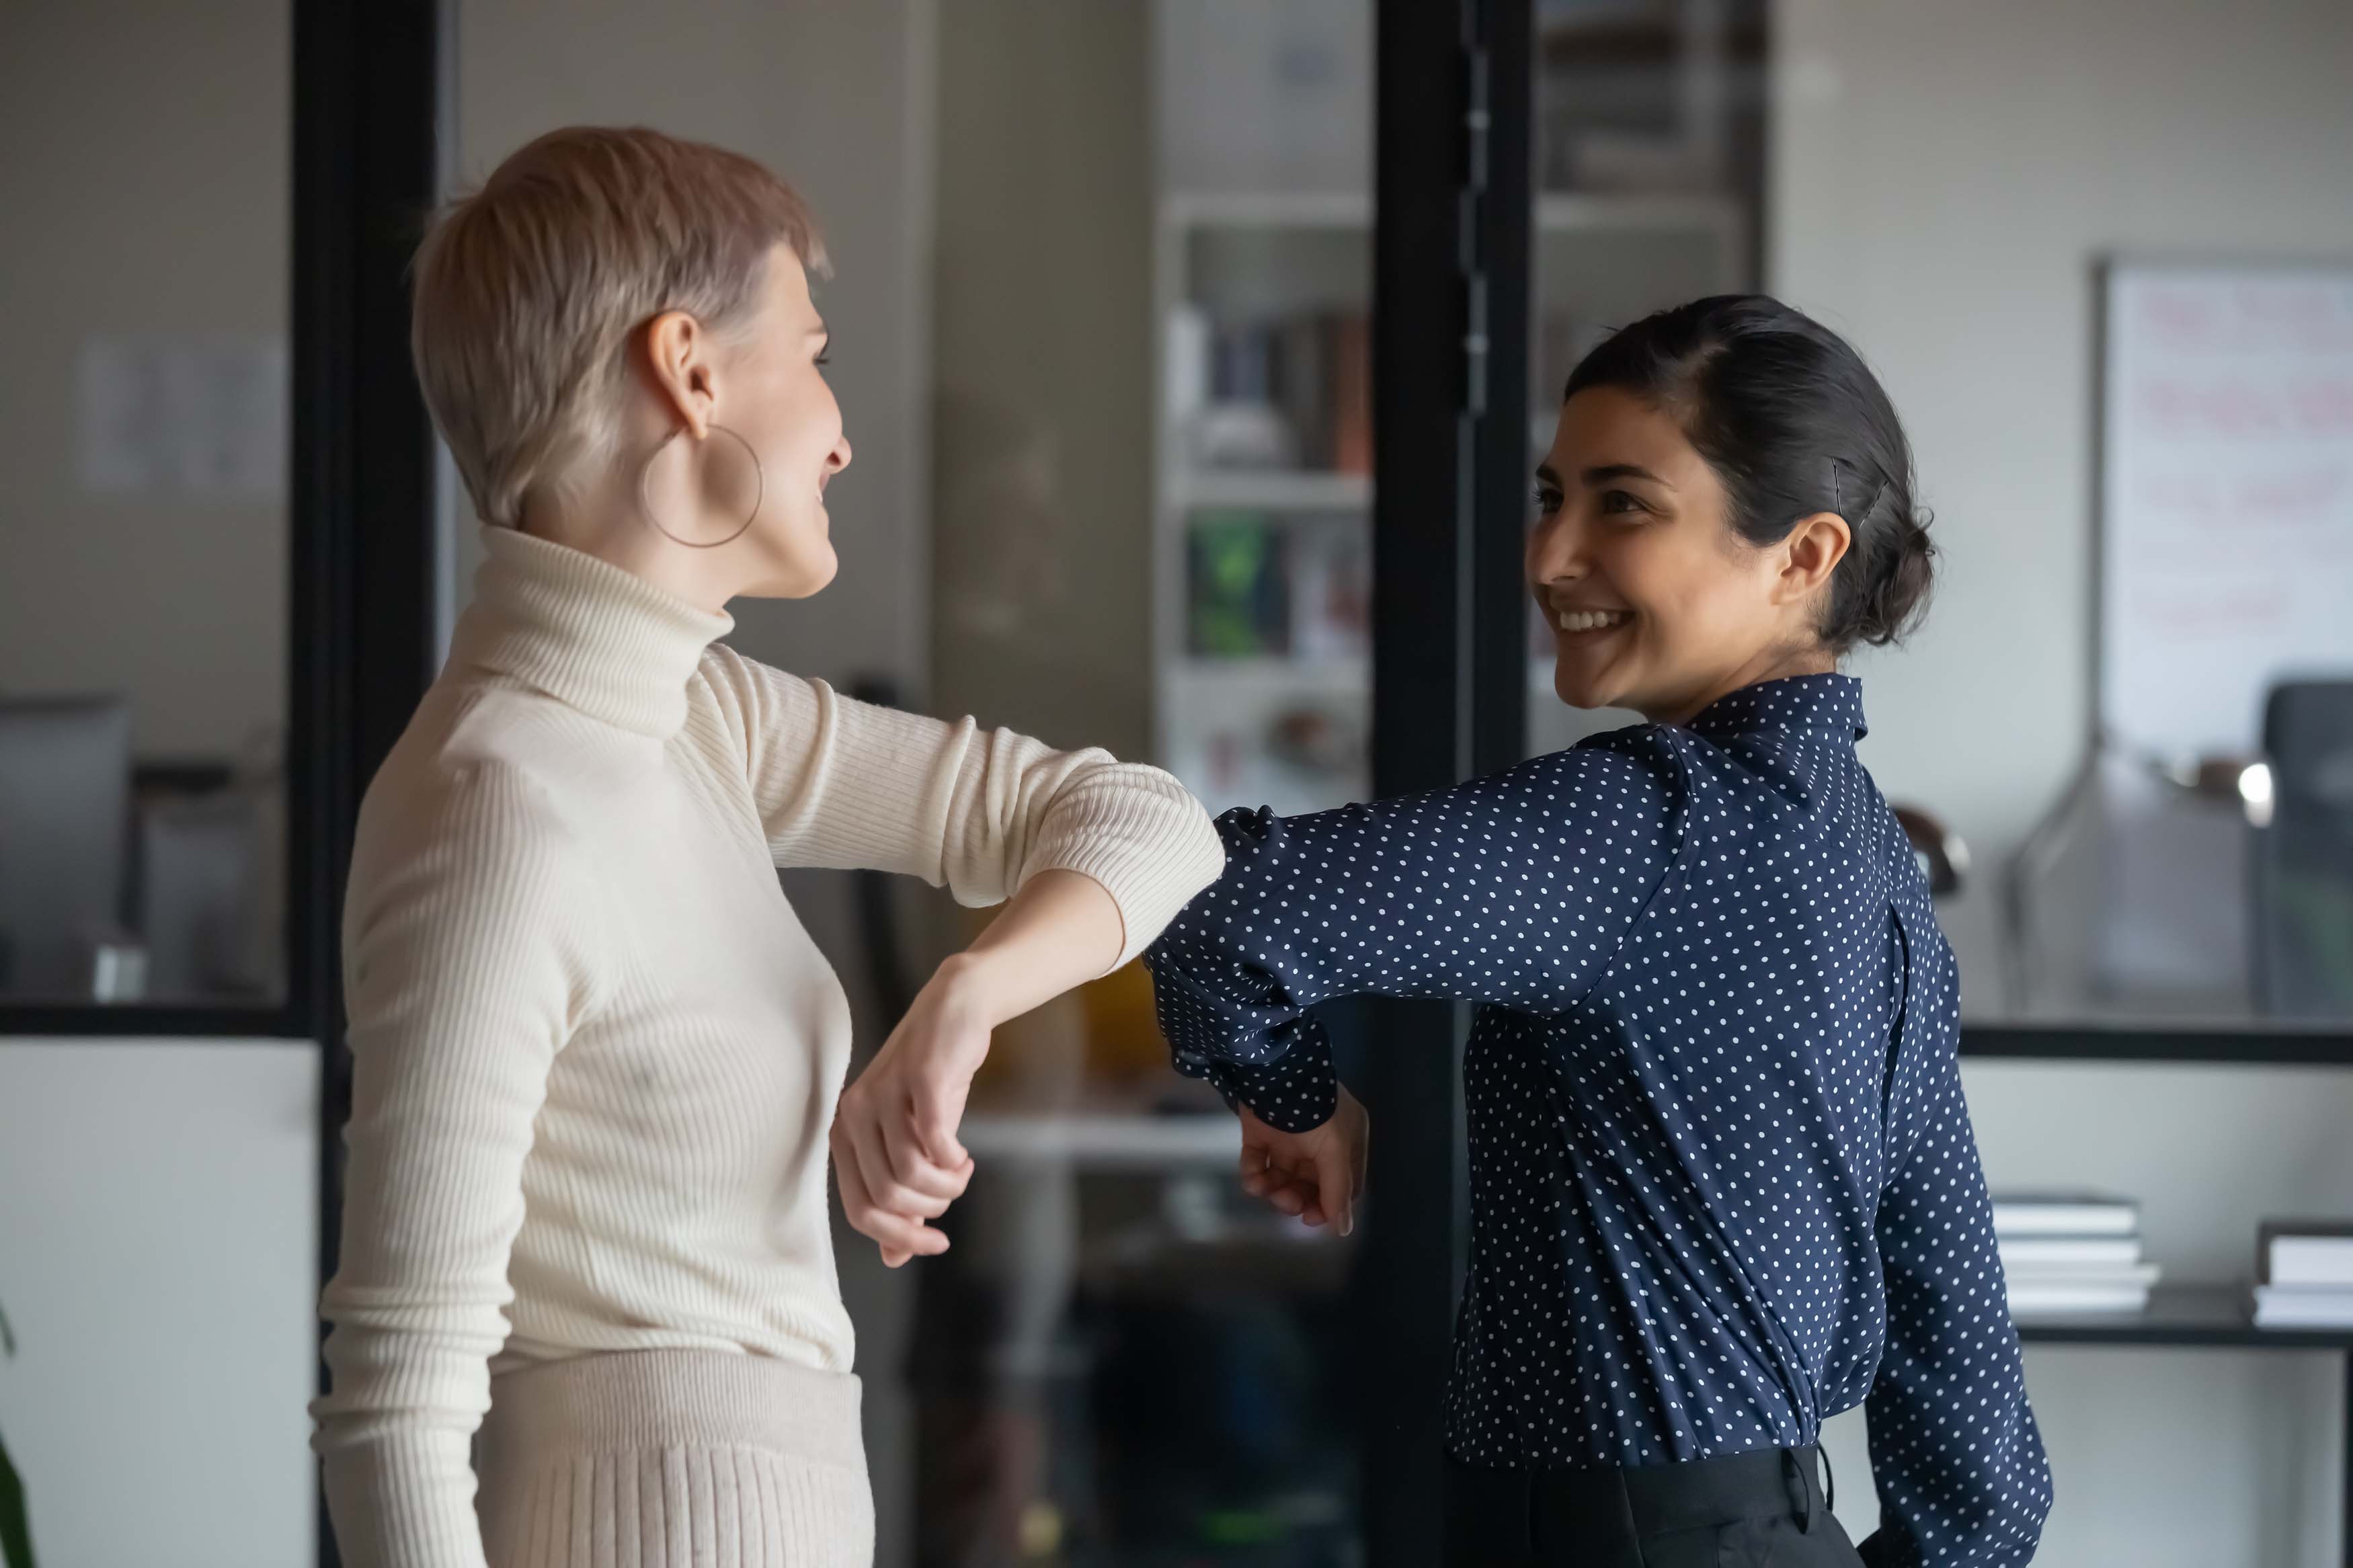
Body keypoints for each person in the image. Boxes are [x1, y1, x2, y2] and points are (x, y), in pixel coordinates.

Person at [311, 126, 1224, 1568]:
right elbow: (394, 1407)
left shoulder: (696, 716)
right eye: (812, 350)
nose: (841, 427)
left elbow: (1150, 824)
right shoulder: (497, 802)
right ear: (687, 369)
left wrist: (965, 1000)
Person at [1140, 296, 2052, 1564]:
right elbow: (1975, 1436)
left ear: (1802, 556)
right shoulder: (1874, 863)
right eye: (1549, 495)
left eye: (1622, 503)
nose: (1550, 553)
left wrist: (1290, 1096)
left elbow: (1216, 908)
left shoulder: (1645, 825)